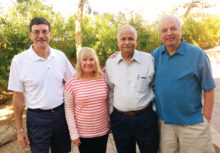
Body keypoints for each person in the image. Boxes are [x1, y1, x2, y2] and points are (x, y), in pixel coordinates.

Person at [8, 17, 75, 153]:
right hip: (37, 119)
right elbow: (18, 97)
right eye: (36, 32)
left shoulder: (60, 56)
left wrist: (102, 70)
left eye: (44, 31)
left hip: (61, 115)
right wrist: (20, 129)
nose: (41, 35)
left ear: (50, 35)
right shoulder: (19, 61)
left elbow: (75, 81)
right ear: (30, 35)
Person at [152, 14, 216, 153]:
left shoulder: (197, 54)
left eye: (173, 28)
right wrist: (114, 58)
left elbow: (209, 88)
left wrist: (206, 119)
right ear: (160, 34)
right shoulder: (155, 56)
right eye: (164, 30)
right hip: (165, 125)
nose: (169, 33)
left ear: (180, 30)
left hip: (192, 124)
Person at [105, 24, 159, 153]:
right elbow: (110, 89)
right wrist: (112, 113)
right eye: (123, 39)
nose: (127, 42)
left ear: (136, 41)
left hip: (145, 118)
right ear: (117, 42)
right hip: (120, 120)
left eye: (131, 38)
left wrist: (154, 113)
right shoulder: (110, 63)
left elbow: (155, 86)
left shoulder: (149, 59)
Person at [64, 47, 109, 153]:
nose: (88, 63)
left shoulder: (104, 78)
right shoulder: (72, 81)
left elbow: (107, 102)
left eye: (91, 59)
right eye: (84, 59)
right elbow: (68, 109)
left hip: (103, 131)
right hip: (83, 134)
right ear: (79, 62)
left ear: (96, 61)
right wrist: (73, 133)